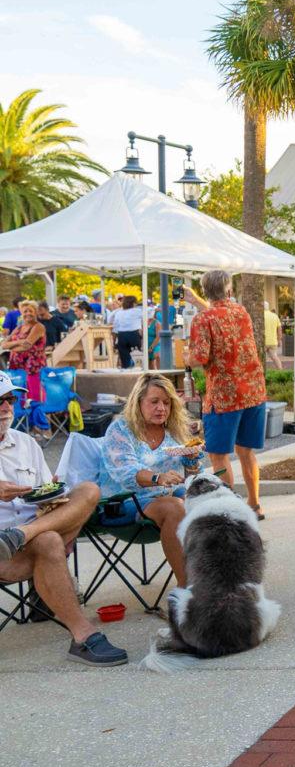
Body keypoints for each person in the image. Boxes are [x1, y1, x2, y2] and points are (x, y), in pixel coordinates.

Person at [0, 383, 119, 665]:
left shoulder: (26, 443)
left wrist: (54, 495)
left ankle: (21, 536)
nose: (6, 407)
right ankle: (83, 636)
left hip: (33, 529)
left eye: (10, 400)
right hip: (7, 554)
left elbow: (44, 494)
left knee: (88, 490)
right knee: (51, 541)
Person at [98, 374, 201, 587]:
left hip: (165, 496)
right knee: (175, 507)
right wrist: (158, 478)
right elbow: (126, 472)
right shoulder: (121, 429)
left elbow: (190, 477)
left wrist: (191, 460)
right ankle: (188, 587)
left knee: (204, 503)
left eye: (166, 403)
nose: (161, 408)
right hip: (122, 501)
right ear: (138, 402)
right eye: (154, 402)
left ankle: (216, 576)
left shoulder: (175, 431)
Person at [184, 270, 267, 520]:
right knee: (246, 451)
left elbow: (199, 357)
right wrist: (196, 300)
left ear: (206, 291)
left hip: (224, 397)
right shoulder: (241, 312)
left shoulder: (202, 319)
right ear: (229, 291)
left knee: (218, 455)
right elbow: (220, 312)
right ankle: (254, 504)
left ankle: (232, 511)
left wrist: (186, 357)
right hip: (253, 391)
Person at [4, 302, 47, 402]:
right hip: (16, 366)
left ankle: (35, 411)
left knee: (33, 397)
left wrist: (11, 347)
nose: (28, 313)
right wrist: (20, 341)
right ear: (21, 313)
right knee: (19, 395)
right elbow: (4, 344)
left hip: (32, 366)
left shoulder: (38, 326)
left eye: (30, 311)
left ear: (36, 312)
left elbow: (26, 346)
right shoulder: (19, 327)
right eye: (25, 311)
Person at [110, 295, 145, 369]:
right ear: (133, 303)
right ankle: (136, 370)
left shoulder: (118, 313)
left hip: (122, 335)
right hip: (134, 335)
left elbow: (115, 329)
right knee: (137, 357)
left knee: (124, 359)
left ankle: (127, 370)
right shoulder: (138, 311)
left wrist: (113, 342)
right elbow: (144, 322)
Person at [262, 301, 283, 371]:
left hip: (263, 341)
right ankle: (280, 371)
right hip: (273, 341)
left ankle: (262, 372)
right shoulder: (274, 316)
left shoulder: (260, 315)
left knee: (260, 358)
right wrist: (279, 340)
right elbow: (279, 329)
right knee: (274, 357)